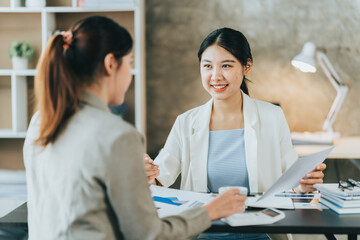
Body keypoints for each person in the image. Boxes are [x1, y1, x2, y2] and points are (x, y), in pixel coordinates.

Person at [23, 17, 248, 240]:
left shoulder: (40, 122)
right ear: (111, 64)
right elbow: (150, 234)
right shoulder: (117, 136)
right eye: (129, 63)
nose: (130, 74)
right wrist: (210, 211)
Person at [145, 28, 326, 239]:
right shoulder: (186, 122)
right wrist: (148, 173)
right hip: (205, 233)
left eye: (226, 66)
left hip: (260, 234)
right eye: (207, 66)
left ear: (247, 66)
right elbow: (160, 176)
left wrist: (305, 183)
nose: (216, 76)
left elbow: (293, 181)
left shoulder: (272, 116)